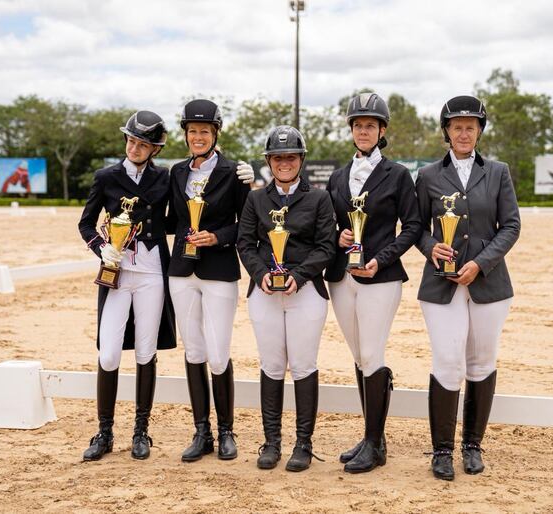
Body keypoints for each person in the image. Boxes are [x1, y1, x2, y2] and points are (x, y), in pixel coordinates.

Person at [415, 95, 521, 481]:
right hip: (440, 284)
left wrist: (480, 263)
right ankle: (442, 449)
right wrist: (431, 247)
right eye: (457, 127)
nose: (463, 133)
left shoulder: (498, 172)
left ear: (479, 131)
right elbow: (416, 227)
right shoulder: (428, 175)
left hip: (488, 281)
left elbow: (511, 225)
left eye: (470, 127)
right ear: (447, 131)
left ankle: (472, 445)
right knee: (447, 360)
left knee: (481, 362)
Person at [324, 93, 422, 474]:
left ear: (382, 131)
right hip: (343, 277)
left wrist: (382, 258)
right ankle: (372, 438)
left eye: (370, 125)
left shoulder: (397, 175)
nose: (363, 131)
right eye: (358, 125)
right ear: (351, 130)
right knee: (358, 356)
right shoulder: (337, 177)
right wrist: (338, 237)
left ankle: (375, 443)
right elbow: (328, 224)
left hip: (380, 277)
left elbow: (412, 226)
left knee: (372, 353)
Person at [77, 110, 177, 461]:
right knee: (108, 352)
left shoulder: (164, 178)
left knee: (146, 351)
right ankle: (104, 432)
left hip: (151, 272)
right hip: (116, 273)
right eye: (132, 141)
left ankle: (141, 431)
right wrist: (100, 248)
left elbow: (177, 219)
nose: (135, 148)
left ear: (155, 149)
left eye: (143, 145)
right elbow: (86, 223)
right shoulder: (106, 177)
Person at [237, 125, 336, 472]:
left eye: (291, 157)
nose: (284, 163)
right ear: (269, 161)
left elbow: (326, 247)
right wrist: (259, 273)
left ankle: (304, 443)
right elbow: (246, 243)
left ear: (301, 160)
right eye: (278, 158)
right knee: (271, 365)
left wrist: (299, 276)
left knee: (304, 365)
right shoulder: (255, 199)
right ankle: (271, 442)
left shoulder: (319, 199)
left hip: (305, 292)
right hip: (265, 292)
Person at [167, 99, 253, 462]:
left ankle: (226, 431)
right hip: (182, 272)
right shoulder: (175, 172)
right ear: (186, 135)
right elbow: (170, 219)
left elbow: (247, 224)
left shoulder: (235, 173)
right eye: (192, 131)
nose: (198, 137)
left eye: (204, 131)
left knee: (218, 354)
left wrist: (217, 236)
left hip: (218, 270)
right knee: (194, 351)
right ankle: (202, 431)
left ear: (215, 134)